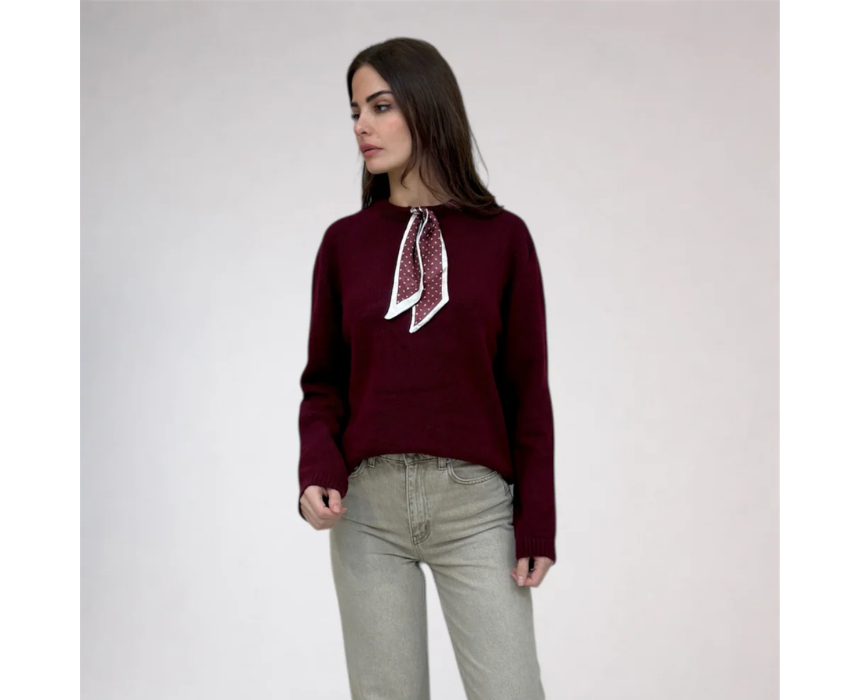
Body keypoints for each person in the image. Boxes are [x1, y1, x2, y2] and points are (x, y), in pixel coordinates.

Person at [297, 37, 556, 700]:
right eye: (355, 110)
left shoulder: (504, 239)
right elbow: (323, 384)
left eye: (380, 106)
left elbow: (527, 389)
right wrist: (317, 471)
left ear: (427, 105)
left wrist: (538, 521)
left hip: (476, 509)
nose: (361, 124)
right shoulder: (344, 243)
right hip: (366, 510)